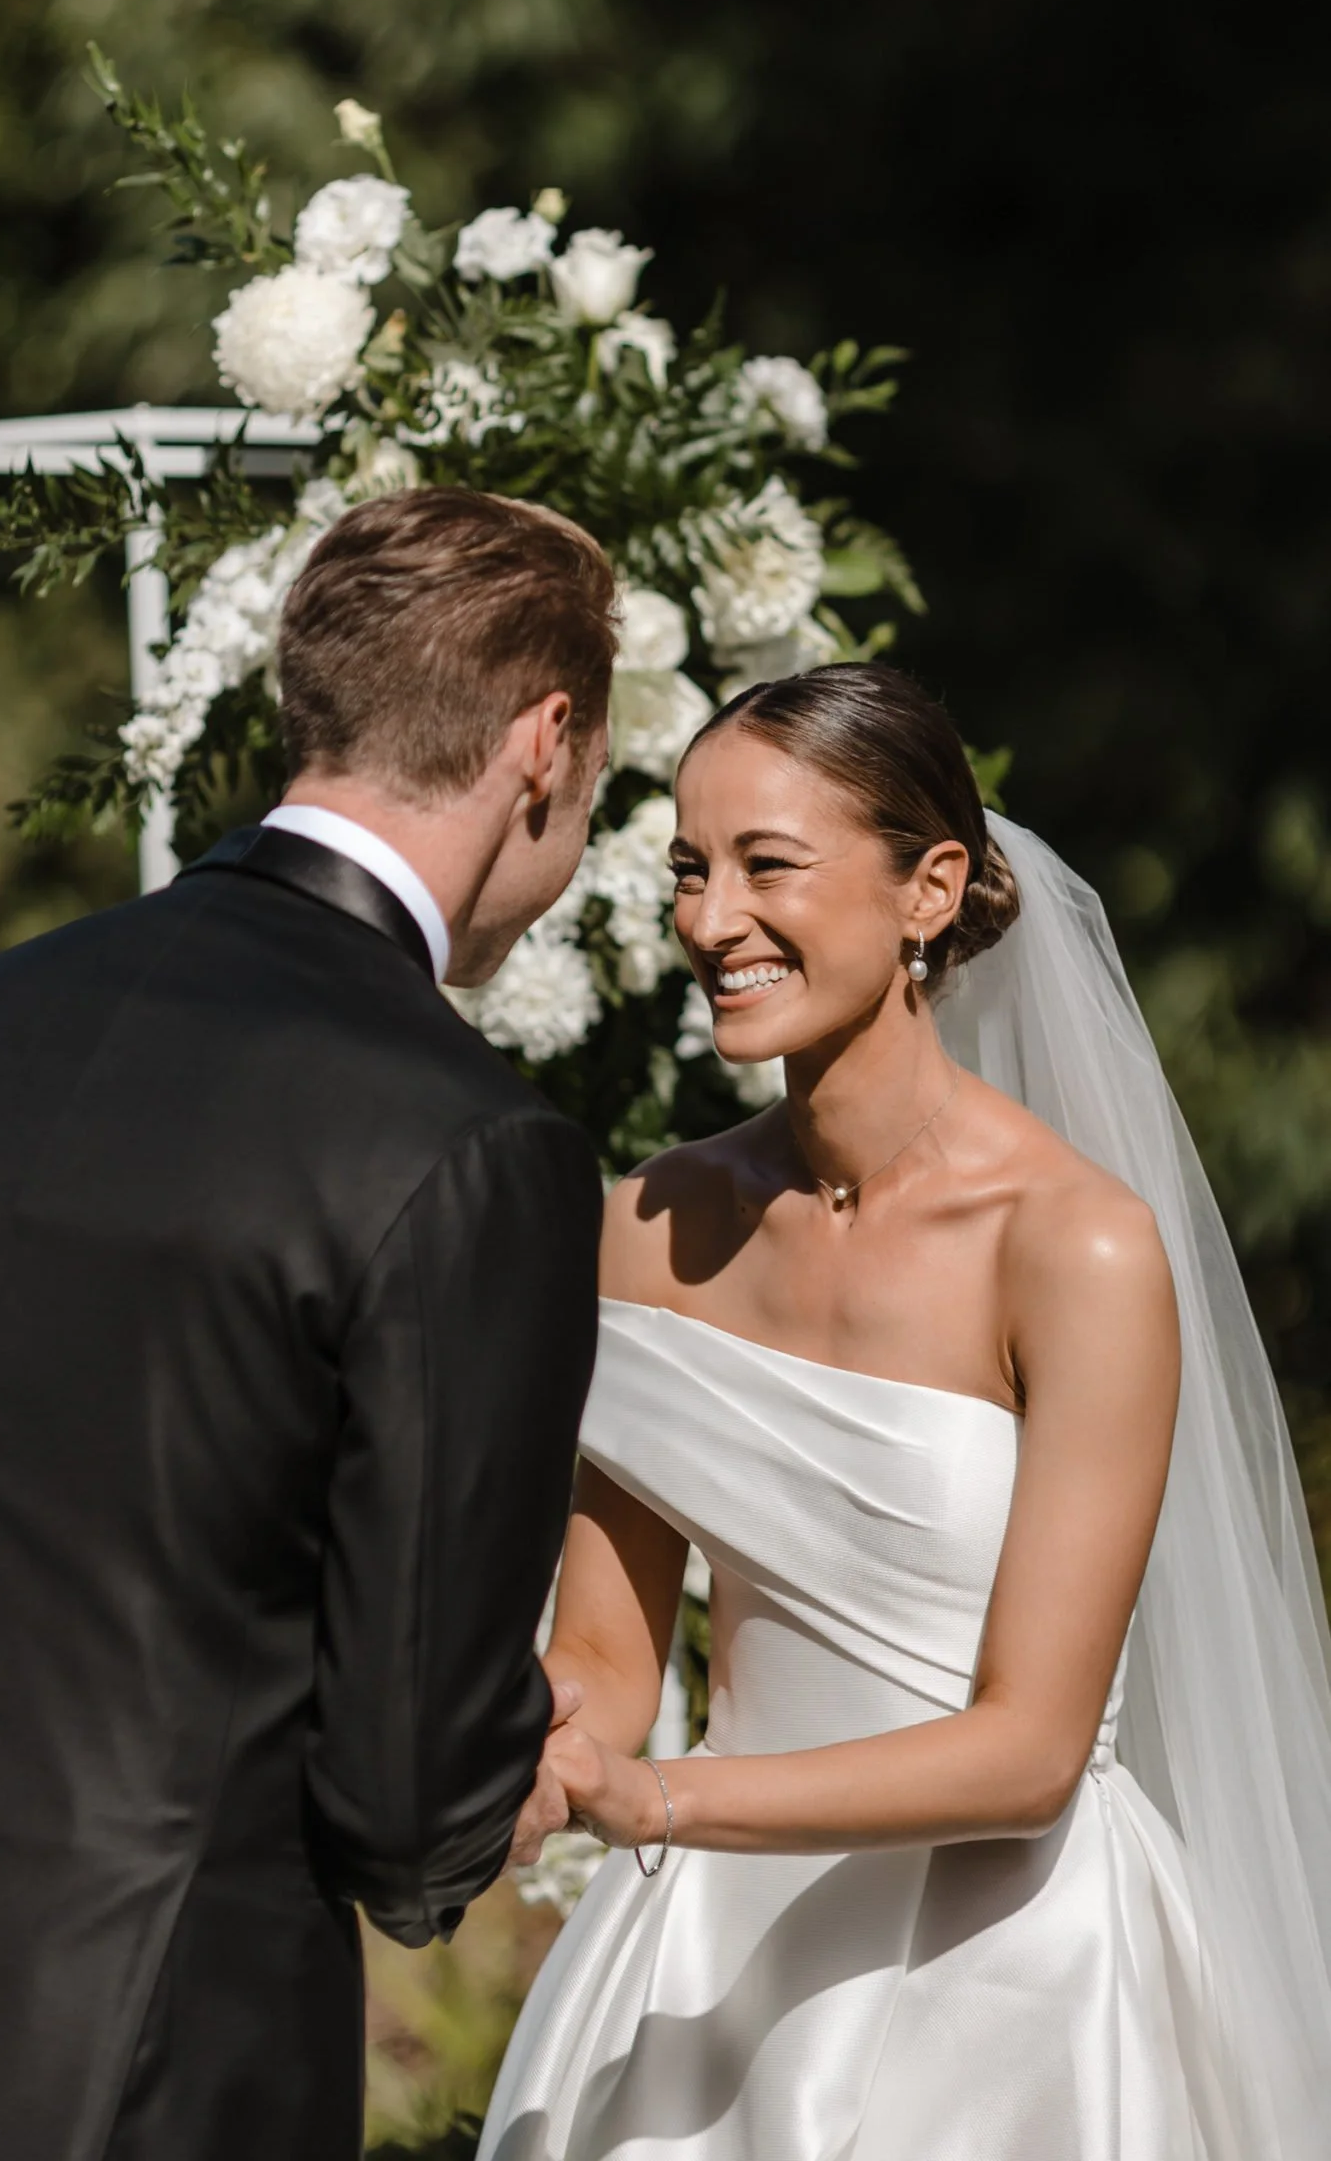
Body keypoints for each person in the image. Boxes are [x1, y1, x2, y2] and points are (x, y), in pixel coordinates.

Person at [0, 487, 615, 2160]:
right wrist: (500, 1780)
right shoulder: (470, 1144)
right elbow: (405, 1802)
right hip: (131, 2068)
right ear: (545, 738)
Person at [487, 661, 1331, 2161]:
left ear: (928, 889)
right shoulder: (642, 1229)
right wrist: (523, 1751)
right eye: (689, 868)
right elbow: (606, 1660)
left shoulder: (1070, 1246)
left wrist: (660, 1797)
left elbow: (1028, 1754)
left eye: (766, 866)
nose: (708, 920)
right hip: (706, 1975)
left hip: (1013, 1984)